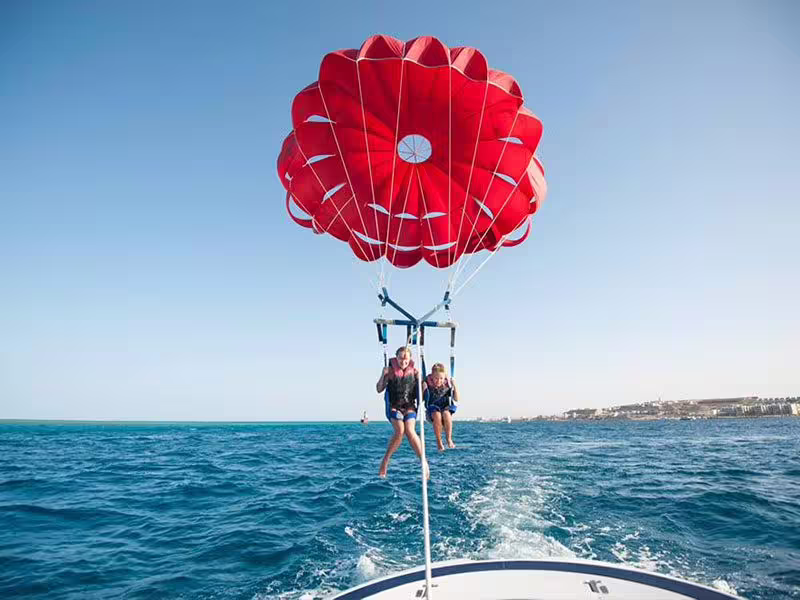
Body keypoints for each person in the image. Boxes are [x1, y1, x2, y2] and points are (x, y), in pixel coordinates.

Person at [376, 346, 429, 479]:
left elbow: (420, 394)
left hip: (410, 406)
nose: (403, 361)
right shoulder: (390, 372)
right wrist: (384, 375)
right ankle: (386, 460)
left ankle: (424, 462)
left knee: (410, 431)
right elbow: (379, 389)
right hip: (394, 406)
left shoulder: (415, 372)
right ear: (396, 358)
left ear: (410, 359)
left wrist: (422, 383)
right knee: (400, 431)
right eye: (400, 358)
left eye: (406, 358)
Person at [423, 363, 459, 451]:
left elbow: (456, 399)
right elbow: (421, 399)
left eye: (441, 378)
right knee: (437, 415)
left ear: (444, 378)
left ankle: (449, 439)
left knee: (446, 414)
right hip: (432, 409)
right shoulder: (428, 384)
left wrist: (455, 386)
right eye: (436, 378)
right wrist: (423, 387)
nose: (439, 381)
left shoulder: (447, 385)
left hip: (445, 407)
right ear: (431, 377)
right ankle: (439, 442)